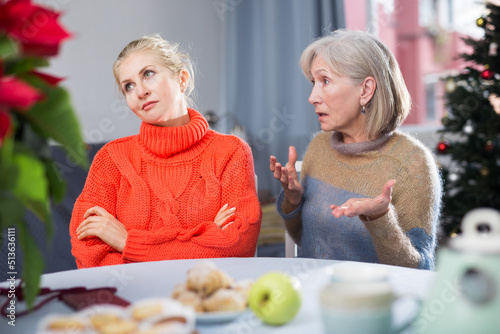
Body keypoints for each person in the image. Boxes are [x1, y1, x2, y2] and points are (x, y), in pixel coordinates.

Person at [70, 34, 261, 268]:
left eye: (148, 74)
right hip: (131, 299)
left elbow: (237, 248)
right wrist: (206, 235)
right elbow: (89, 254)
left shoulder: (231, 152)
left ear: (182, 78)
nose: (140, 91)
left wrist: (127, 242)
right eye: (128, 86)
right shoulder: (111, 159)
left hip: (204, 299)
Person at [270, 30, 441, 270]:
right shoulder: (320, 146)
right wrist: (293, 200)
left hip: (370, 300)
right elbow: (307, 242)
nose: (312, 97)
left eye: (325, 81)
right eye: (313, 83)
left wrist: (381, 220)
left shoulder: (412, 163)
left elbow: (419, 271)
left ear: (366, 90)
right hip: (312, 290)